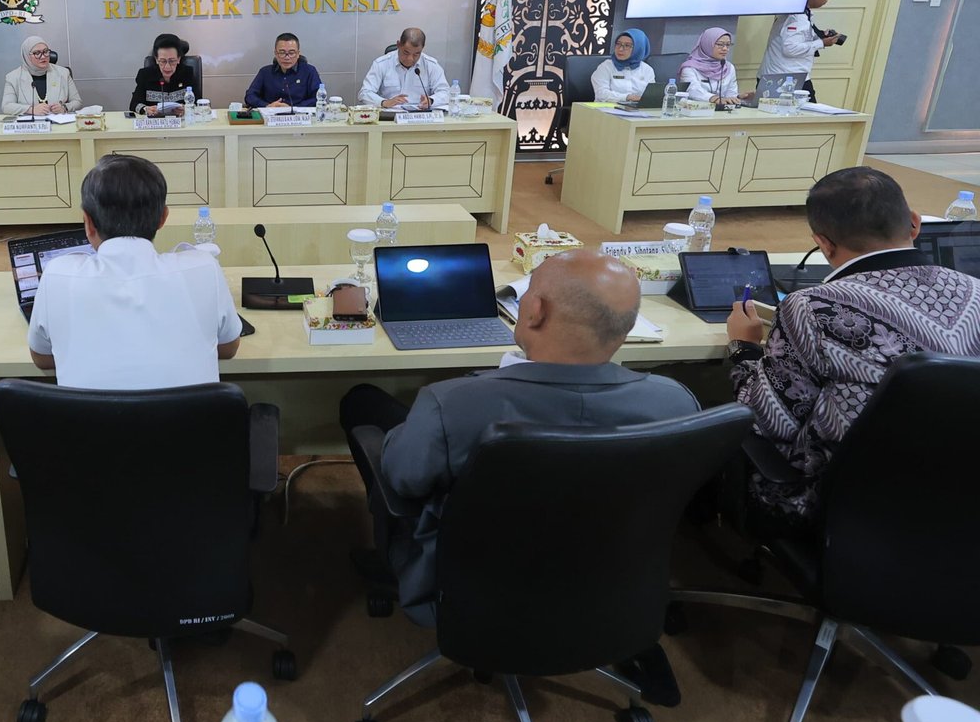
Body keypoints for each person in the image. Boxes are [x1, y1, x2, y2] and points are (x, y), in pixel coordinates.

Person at [338, 250, 698, 626]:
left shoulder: (453, 404)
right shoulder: (676, 403)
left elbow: (401, 479)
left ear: (535, 311)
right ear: (626, 325)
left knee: (363, 404)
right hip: (609, 580)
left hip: (469, 585)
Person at [727, 167, 980, 529]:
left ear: (823, 243)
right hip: (964, 501)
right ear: (914, 223)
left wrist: (744, 349)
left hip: (839, 506)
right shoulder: (975, 292)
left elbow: (768, 422)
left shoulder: (812, 307)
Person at [27, 154, 241, 389]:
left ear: (87, 222)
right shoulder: (204, 267)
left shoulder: (57, 274)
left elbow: (41, 358)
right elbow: (229, 347)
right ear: (163, 218)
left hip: (87, 415)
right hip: (190, 414)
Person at [760, 0, 840, 100]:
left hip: (789, 76)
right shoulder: (797, 18)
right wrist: (822, 43)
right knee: (807, 112)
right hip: (785, 79)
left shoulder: (800, 12)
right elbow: (790, 48)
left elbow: (800, 36)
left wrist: (820, 35)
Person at [358, 28, 450, 110]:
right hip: (390, 116)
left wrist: (431, 100)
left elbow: (445, 92)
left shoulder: (431, 65)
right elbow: (364, 93)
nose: (410, 59)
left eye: (416, 54)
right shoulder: (381, 64)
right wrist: (384, 102)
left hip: (420, 116)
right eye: (406, 53)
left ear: (422, 48)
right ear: (398, 45)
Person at [2, 35, 82, 116]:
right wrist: (31, 109)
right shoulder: (13, 77)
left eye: (46, 51)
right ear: (26, 56)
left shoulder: (63, 73)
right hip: (30, 123)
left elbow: (77, 102)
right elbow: (6, 106)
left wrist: (64, 108)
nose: (43, 56)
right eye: (37, 53)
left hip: (58, 122)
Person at [243, 32, 321, 108]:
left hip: (299, 115)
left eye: (291, 53)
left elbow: (318, 98)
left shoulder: (309, 71)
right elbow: (250, 96)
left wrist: (293, 108)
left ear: (298, 54)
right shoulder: (265, 72)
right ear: (276, 54)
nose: (287, 57)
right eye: (282, 52)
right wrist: (267, 106)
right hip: (270, 114)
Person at [129, 33, 199, 116]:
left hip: (180, 121)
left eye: (172, 61)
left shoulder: (187, 73)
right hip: (155, 122)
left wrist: (186, 109)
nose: (167, 66)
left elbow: (198, 103)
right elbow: (134, 104)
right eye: (163, 61)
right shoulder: (145, 75)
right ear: (156, 59)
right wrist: (145, 109)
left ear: (178, 59)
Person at [591, 27, 656, 103]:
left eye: (627, 45)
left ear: (639, 48)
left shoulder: (647, 70)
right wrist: (627, 97)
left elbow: (651, 96)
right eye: (618, 44)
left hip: (637, 109)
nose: (620, 49)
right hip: (607, 108)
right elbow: (601, 94)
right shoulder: (606, 67)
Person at [678, 27, 741, 104]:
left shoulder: (728, 67)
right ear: (707, 44)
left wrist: (738, 97)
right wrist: (713, 98)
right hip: (696, 108)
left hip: (722, 110)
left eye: (728, 45)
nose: (725, 49)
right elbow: (692, 90)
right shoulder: (689, 67)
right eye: (720, 44)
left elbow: (731, 94)